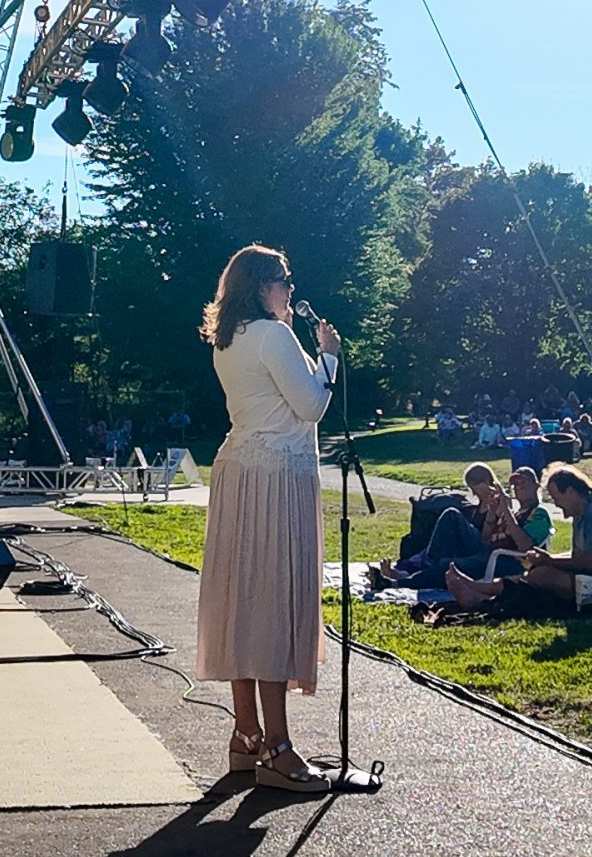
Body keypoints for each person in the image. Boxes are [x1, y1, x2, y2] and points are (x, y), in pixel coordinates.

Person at [195, 245, 339, 794]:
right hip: (278, 476)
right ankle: (278, 747)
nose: (290, 290)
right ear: (261, 286)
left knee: (244, 600)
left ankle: (246, 734)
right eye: (284, 280)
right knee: (274, 601)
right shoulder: (275, 336)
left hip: (239, 471)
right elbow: (310, 406)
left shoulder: (230, 339)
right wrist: (328, 357)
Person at [447, 464, 592, 616]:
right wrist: (546, 559)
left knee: (543, 576)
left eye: (556, 498)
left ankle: (483, 598)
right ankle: (481, 591)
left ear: (570, 491)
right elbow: (579, 557)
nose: (557, 505)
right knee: (537, 573)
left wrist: (549, 560)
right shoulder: (582, 514)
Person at [378, 464, 552, 590]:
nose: (518, 488)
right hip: (491, 554)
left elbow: (526, 546)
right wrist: (492, 514)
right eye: (515, 485)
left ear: (536, 486)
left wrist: (505, 511)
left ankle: (398, 582)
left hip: (510, 562)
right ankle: (402, 578)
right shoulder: (515, 512)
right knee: (448, 563)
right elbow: (485, 540)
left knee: (450, 565)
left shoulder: (539, 513)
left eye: (523, 484)